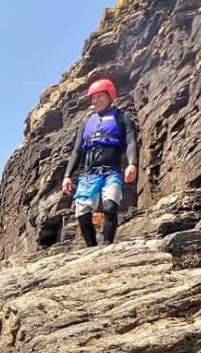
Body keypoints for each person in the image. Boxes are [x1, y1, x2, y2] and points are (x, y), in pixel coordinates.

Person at [61, 78, 138, 246]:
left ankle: (107, 244)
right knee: (82, 214)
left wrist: (132, 163)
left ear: (110, 95)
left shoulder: (122, 117)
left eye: (99, 97)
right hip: (88, 173)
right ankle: (92, 248)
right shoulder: (86, 122)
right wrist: (67, 176)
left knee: (110, 206)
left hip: (111, 171)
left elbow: (131, 141)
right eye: (93, 98)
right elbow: (76, 151)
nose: (96, 101)